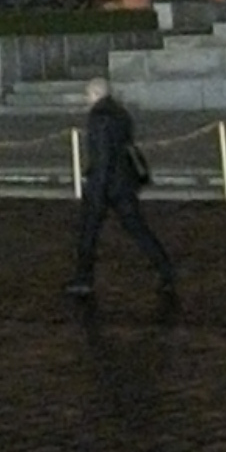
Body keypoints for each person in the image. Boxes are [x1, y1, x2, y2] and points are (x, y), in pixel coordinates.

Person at [67, 77, 175, 296]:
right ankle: (165, 268)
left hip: (104, 185)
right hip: (124, 182)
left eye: (88, 94)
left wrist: (96, 190)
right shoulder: (121, 113)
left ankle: (83, 279)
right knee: (138, 229)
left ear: (96, 94)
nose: (86, 99)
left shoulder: (98, 117)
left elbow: (102, 157)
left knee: (88, 234)